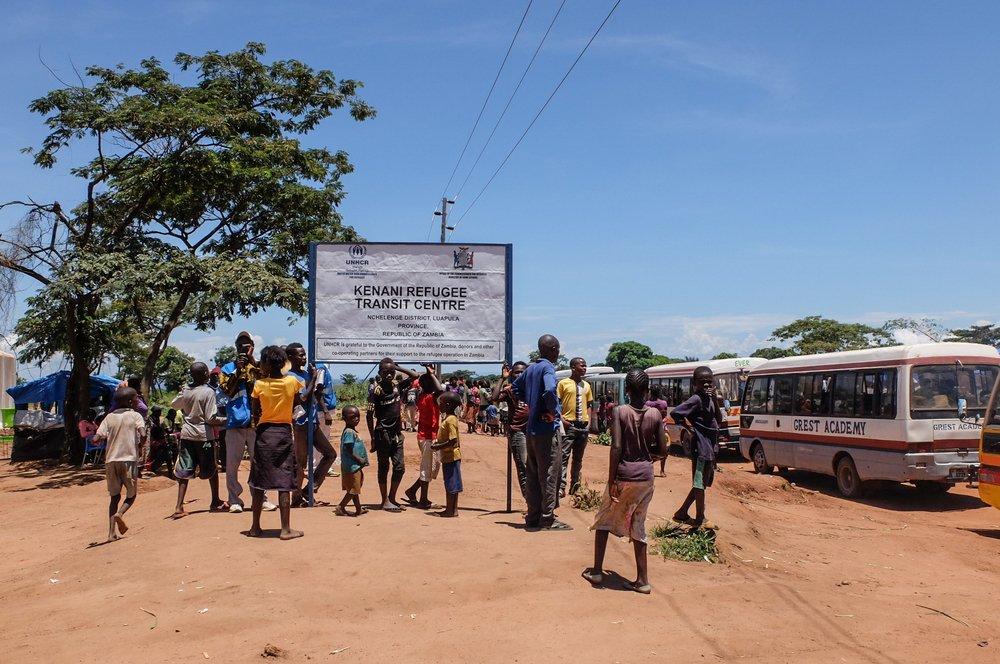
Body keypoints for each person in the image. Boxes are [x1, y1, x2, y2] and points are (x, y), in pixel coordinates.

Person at [582, 369, 665, 594]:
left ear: (626, 390)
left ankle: (597, 571)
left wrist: (611, 480)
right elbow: (662, 448)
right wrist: (649, 457)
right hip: (646, 477)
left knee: (603, 521)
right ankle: (642, 580)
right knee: (638, 524)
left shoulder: (620, 411)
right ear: (647, 390)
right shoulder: (656, 415)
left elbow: (616, 446)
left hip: (623, 475)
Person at [248, 345, 314, 540]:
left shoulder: (259, 384)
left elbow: (255, 412)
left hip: (264, 434)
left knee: (259, 480)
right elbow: (300, 401)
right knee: (284, 481)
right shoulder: (292, 382)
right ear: (284, 362)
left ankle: (254, 527)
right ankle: (285, 529)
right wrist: (312, 381)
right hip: (283, 433)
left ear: (266, 363)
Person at [512, 335, 571, 531]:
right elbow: (550, 389)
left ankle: (533, 516)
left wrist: (531, 403)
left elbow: (514, 388)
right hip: (547, 430)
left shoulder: (530, 369)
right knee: (549, 473)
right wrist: (550, 410)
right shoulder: (547, 368)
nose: (559, 352)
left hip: (531, 430)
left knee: (533, 472)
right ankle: (547, 518)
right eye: (558, 349)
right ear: (553, 349)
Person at [220, 331, 275, 514]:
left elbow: (267, 383)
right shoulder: (227, 368)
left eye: (247, 344)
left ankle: (261, 498)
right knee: (232, 465)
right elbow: (227, 390)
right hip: (235, 423)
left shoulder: (259, 368)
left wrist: (251, 363)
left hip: (256, 423)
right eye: (240, 344)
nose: (243, 347)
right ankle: (234, 499)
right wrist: (238, 369)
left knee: (258, 463)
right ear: (235, 347)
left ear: (252, 346)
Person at [671, 366, 726, 530]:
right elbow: (676, 413)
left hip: (710, 448)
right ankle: (700, 517)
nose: (707, 385)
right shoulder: (695, 399)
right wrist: (689, 429)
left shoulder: (709, 398)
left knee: (701, 483)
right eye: (703, 382)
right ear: (695, 383)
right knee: (699, 483)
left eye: (709, 381)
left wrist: (715, 399)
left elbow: (718, 418)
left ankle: (682, 512)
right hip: (701, 447)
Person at [170, 362, 226, 518]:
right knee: (212, 468)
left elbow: (174, 405)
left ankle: (179, 506)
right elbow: (210, 417)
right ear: (204, 375)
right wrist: (226, 420)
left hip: (187, 434)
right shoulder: (208, 392)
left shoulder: (186, 391)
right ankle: (215, 500)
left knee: (184, 470)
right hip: (203, 436)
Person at [285, 342, 338, 507]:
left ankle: (309, 489)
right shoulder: (290, 377)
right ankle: (296, 497)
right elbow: (301, 399)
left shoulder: (306, 374)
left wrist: (324, 410)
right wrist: (314, 378)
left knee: (330, 454)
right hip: (300, 424)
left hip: (312, 422)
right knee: (300, 462)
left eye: (304, 354)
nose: (304, 357)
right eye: (300, 355)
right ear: (291, 357)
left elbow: (315, 395)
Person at [366, 357, 419, 512]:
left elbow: (414, 376)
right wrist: (373, 438)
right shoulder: (375, 391)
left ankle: (392, 498)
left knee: (399, 468)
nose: (389, 375)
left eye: (391, 372)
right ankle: (384, 501)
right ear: (380, 373)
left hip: (397, 434)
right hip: (382, 434)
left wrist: (398, 367)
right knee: (384, 467)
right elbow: (369, 416)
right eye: (385, 372)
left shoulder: (397, 386)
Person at [94, 386, 147, 542]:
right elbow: (142, 433)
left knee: (114, 497)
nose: (138, 400)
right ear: (131, 402)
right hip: (128, 460)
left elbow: (97, 438)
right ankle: (120, 514)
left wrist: (95, 439)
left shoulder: (109, 418)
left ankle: (111, 534)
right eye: (137, 398)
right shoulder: (136, 416)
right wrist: (140, 446)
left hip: (111, 461)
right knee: (131, 495)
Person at [404, 365, 445, 509]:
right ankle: (423, 500)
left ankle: (412, 490)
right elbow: (440, 389)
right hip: (428, 436)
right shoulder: (430, 397)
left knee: (430, 467)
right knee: (427, 468)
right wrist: (432, 374)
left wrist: (431, 375)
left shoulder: (423, 396)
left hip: (426, 436)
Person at [557, 357, 596, 499]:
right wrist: (562, 419)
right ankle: (561, 487)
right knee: (563, 457)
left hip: (583, 427)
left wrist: (589, 422)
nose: (585, 368)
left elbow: (590, 404)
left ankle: (575, 486)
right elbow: (556, 404)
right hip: (569, 426)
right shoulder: (563, 384)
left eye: (585, 366)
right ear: (573, 368)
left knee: (578, 459)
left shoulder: (587, 385)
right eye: (582, 365)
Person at [493, 362, 530, 500]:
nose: (519, 375)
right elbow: (495, 398)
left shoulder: (532, 388)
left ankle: (536, 504)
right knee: (524, 467)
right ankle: (530, 503)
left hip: (533, 432)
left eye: (522, 372)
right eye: (516, 372)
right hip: (518, 432)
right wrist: (502, 378)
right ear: (511, 374)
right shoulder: (510, 390)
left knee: (535, 468)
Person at [432, 392, 463, 517]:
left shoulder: (450, 420)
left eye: (442, 403)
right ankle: (452, 510)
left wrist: (438, 446)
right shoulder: (449, 418)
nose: (439, 405)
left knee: (450, 484)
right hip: (449, 456)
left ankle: (450, 510)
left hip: (451, 456)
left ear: (448, 405)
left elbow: (453, 440)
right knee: (452, 483)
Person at [336, 405, 369, 517]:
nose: (356, 419)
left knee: (355, 488)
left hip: (353, 466)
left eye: (358, 416)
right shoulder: (349, 432)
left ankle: (358, 509)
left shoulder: (350, 431)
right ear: (345, 418)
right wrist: (359, 459)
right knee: (353, 489)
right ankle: (341, 506)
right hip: (352, 466)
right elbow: (349, 449)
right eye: (352, 417)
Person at [645, 385, 671, 477]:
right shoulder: (663, 403)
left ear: (650, 392)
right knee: (665, 449)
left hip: (650, 429)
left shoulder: (647, 404)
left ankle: (649, 469)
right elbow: (665, 416)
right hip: (662, 429)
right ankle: (662, 471)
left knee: (648, 450)